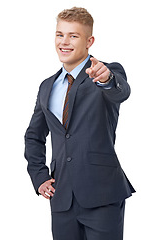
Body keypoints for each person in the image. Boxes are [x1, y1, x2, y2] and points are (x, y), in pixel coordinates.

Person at [24, 7, 135, 240]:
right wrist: (39, 175)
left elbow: (120, 92)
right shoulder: (47, 86)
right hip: (62, 197)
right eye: (59, 34)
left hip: (102, 195)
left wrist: (106, 80)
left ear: (89, 41)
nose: (64, 42)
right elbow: (34, 136)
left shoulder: (106, 71)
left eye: (73, 36)